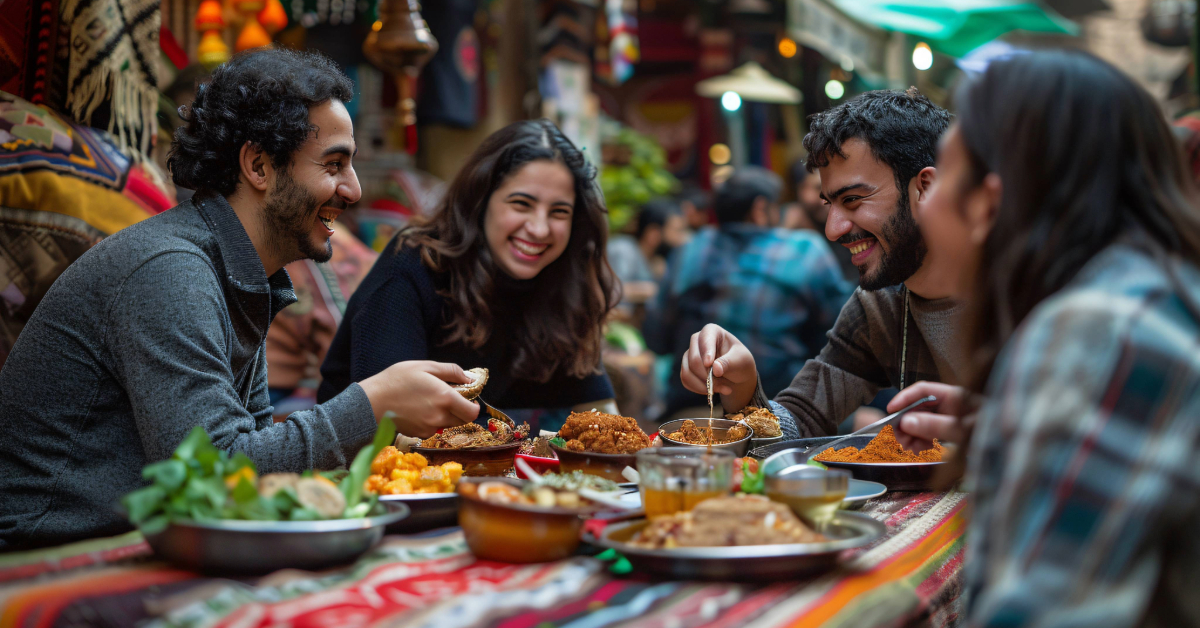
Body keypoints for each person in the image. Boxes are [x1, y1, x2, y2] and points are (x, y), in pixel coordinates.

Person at [0, 49, 478, 551]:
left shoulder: (243, 273)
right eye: (334, 164)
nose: (353, 190)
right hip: (40, 550)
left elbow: (248, 461)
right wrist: (373, 404)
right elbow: (218, 474)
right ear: (258, 165)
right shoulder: (170, 271)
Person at [894, 50, 1200, 626]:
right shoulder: (1149, 293)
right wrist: (1008, 420)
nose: (924, 209)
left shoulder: (1097, 329)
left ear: (990, 203)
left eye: (942, 177)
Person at [680, 88, 962, 439]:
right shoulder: (878, 306)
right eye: (830, 204)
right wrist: (742, 388)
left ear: (926, 188)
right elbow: (801, 420)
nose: (833, 230)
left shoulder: (1030, 289)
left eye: (854, 199)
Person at [318, 119, 619, 432]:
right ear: (481, 199)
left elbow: (601, 414)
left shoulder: (562, 280)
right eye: (521, 204)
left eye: (559, 212)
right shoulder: (412, 264)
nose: (540, 228)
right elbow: (389, 425)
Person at [645, 166, 853, 417]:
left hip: (689, 411)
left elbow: (656, 338)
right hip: (779, 410)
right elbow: (840, 338)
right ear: (760, 208)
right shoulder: (804, 250)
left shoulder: (689, 250)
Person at [607, 197, 690, 305]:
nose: (682, 240)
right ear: (653, 234)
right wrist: (649, 290)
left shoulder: (658, 264)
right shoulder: (623, 250)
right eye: (677, 231)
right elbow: (608, 293)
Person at [787, 160, 856, 281]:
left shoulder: (847, 225)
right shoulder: (789, 230)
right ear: (800, 190)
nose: (826, 199)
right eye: (818, 187)